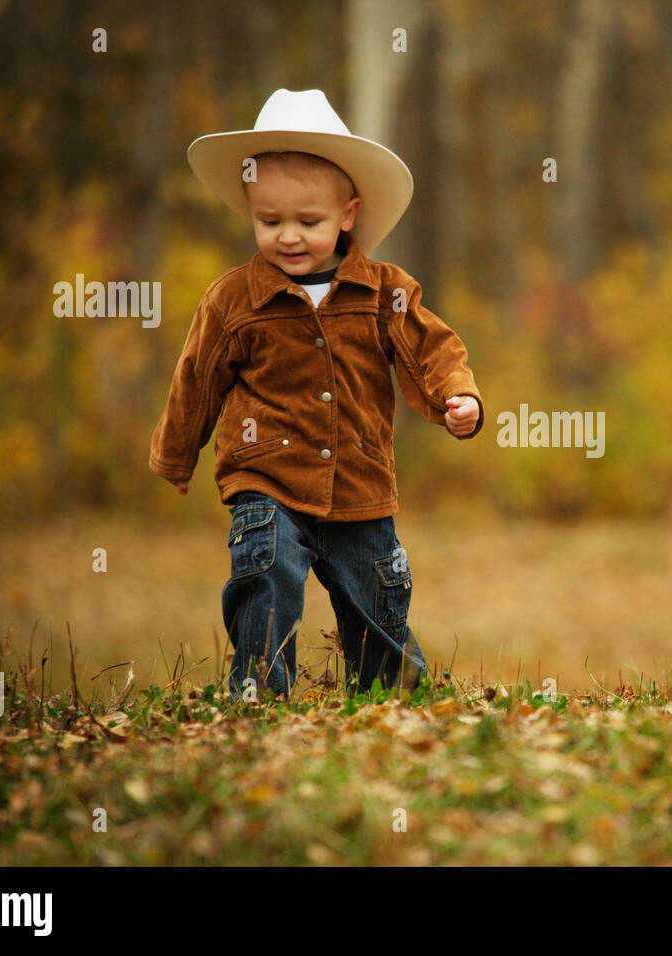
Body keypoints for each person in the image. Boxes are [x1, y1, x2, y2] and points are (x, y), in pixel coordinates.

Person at [149, 89, 484, 700]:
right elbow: (196, 379)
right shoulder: (233, 301)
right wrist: (177, 455)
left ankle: (393, 699)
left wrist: (456, 399)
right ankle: (258, 692)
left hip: (360, 485)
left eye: (309, 222)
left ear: (349, 214)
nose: (289, 237)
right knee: (266, 570)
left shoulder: (384, 292)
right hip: (266, 478)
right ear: (250, 210)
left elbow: (433, 348)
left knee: (377, 606)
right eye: (269, 222)